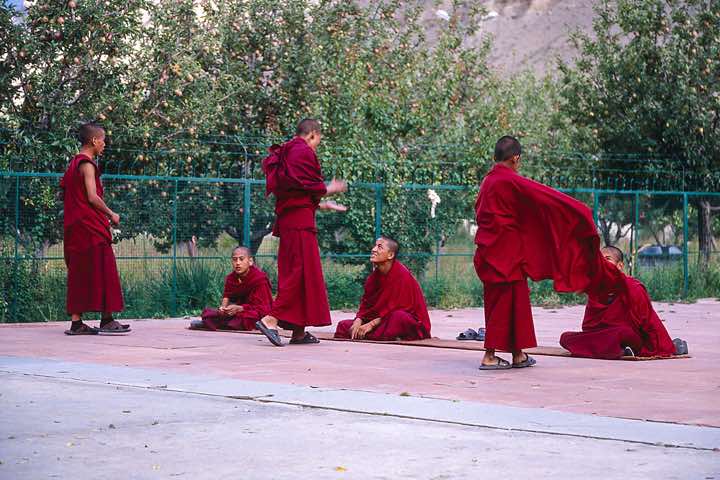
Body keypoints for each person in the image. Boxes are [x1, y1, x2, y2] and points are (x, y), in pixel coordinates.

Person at [474, 136, 623, 370]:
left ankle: (518, 354)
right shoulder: (510, 180)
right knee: (503, 304)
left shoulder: (488, 182)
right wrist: (578, 211)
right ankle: (489, 356)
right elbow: (545, 197)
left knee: (511, 303)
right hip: (506, 254)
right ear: (515, 158)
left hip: (491, 251)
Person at [255, 118, 348, 346]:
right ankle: (270, 319)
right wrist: (329, 189)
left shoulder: (288, 151)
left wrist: (323, 205)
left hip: (295, 219)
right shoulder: (300, 150)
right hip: (298, 224)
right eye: (318, 141)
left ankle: (298, 331)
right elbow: (306, 184)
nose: (316, 147)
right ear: (313, 134)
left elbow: (294, 191)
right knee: (298, 273)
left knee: (302, 273)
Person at [61, 122, 129, 335]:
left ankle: (76, 323)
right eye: (103, 139)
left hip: (76, 226)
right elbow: (91, 196)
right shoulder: (87, 164)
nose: (105, 144)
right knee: (105, 269)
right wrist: (111, 214)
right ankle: (107, 319)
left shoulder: (73, 164)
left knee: (79, 273)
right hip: (90, 227)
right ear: (93, 140)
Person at [559, 246, 685, 359]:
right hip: (605, 337)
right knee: (565, 338)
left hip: (630, 336)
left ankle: (619, 349)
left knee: (622, 333)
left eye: (607, 259)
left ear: (619, 266)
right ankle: (620, 350)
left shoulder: (633, 287)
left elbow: (649, 322)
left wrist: (663, 345)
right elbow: (588, 327)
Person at [334, 237, 431, 341]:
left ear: (390, 255)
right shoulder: (373, 278)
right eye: (375, 246)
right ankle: (379, 335)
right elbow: (366, 306)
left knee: (398, 317)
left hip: (407, 323)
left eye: (379, 247)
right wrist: (358, 320)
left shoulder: (402, 275)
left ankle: (373, 334)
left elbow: (402, 309)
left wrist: (371, 325)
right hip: (382, 323)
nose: (373, 249)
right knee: (343, 325)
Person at [192, 246, 273, 331]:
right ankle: (224, 323)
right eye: (235, 260)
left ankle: (215, 323)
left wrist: (240, 308)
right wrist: (223, 309)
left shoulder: (259, 278)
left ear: (250, 261)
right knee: (210, 313)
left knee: (249, 317)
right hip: (237, 311)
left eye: (241, 259)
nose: (237, 263)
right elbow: (227, 296)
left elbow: (263, 307)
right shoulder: (231, 277)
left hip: (256, 311)